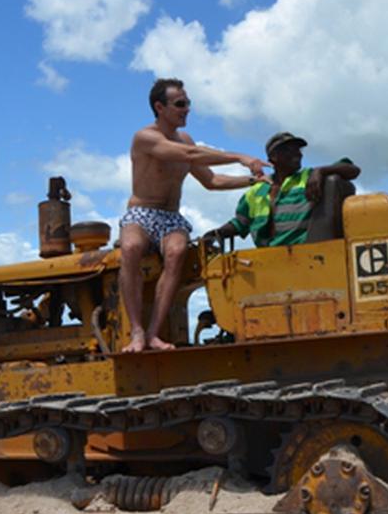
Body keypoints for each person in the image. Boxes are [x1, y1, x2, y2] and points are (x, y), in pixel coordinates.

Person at [120, 78, 268, 353]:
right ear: (159, 107)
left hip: (171, 216)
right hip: (142, 213)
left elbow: (212, 181)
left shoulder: (186, 140)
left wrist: (253, 181)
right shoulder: (145, 137)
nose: (187, 109)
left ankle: (154, 334)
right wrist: (239, 157)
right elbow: (190, 154)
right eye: (180, 104)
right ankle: (137, 332)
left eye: (187, 103)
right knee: (130, 248)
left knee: (177, 252)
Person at [203, 132, 360, 247]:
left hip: (305, 255)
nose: (298, 154)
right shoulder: (256, 191)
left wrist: (322, 171)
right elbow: (241, 223)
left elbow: (352, 170)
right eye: (289, 150)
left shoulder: (308, 177)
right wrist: (218, 233)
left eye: (299, 150)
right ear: (273, 157)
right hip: (267, 260)